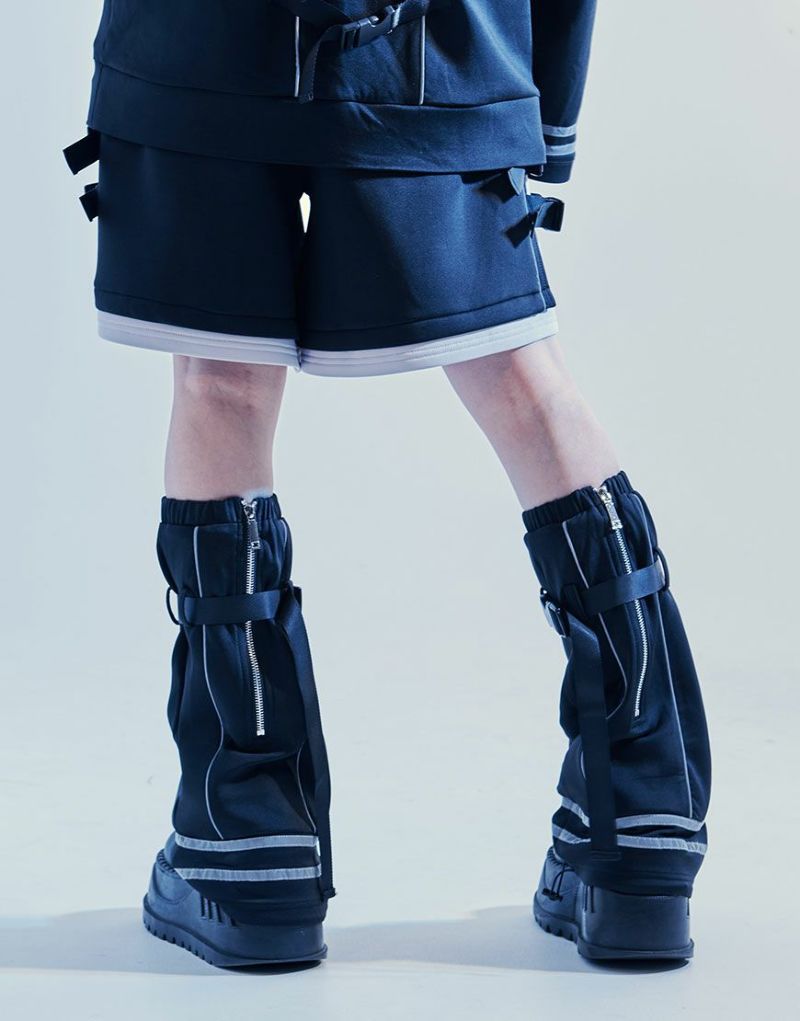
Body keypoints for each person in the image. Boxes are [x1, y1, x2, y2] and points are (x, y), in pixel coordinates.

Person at [64, 0, 711, 967]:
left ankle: (249, 846)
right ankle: (643, 819)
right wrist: (541, 115)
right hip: (438, 55)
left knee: (221, 381)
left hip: (198, 50)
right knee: (524, 379)